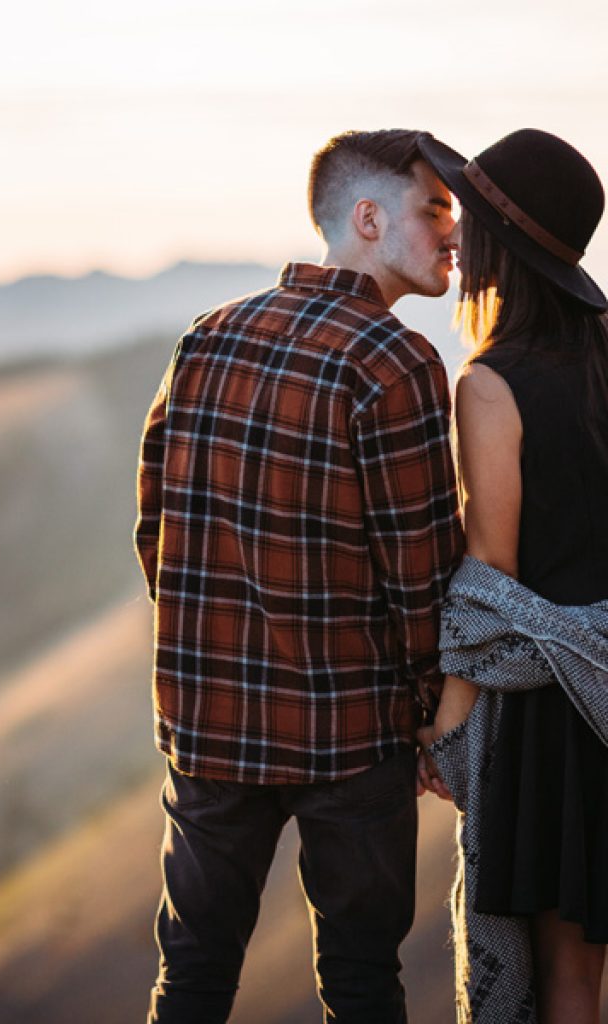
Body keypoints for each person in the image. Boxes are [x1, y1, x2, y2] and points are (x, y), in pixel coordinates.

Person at [133, 129, 464, 1024]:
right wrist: (436, 712)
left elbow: (154, 528)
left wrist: (205, 649)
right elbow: (422, 573)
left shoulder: (207, 335)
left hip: (207, 725)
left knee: (192, 975)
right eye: (435, 210)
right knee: (360, 980)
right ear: (367, 218)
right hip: (349, 735)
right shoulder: (395, 364)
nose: (454, 235)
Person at [416, 129, 608, 1024]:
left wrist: (447, 725)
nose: (458, 242)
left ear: (503, 247)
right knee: (588, 975)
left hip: (553, 721)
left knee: (554, 982)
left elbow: (490, 578)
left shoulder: (492, 383)